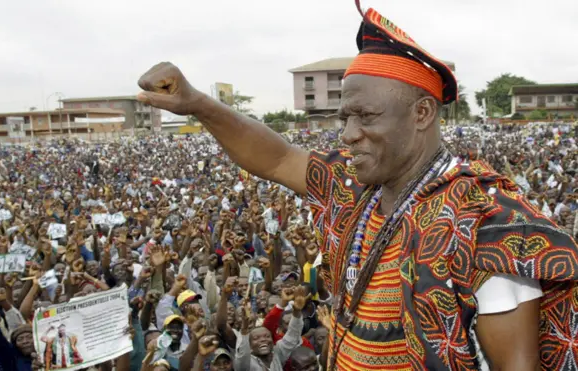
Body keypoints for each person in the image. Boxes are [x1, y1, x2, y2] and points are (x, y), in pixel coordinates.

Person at [136, 4, 578, 371]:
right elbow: (278, 157)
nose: (347, 133)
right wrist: (196, 103)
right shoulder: (352, 188)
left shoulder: (486, 221)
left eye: (365, 117)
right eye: (345, 117)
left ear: (422, 113)